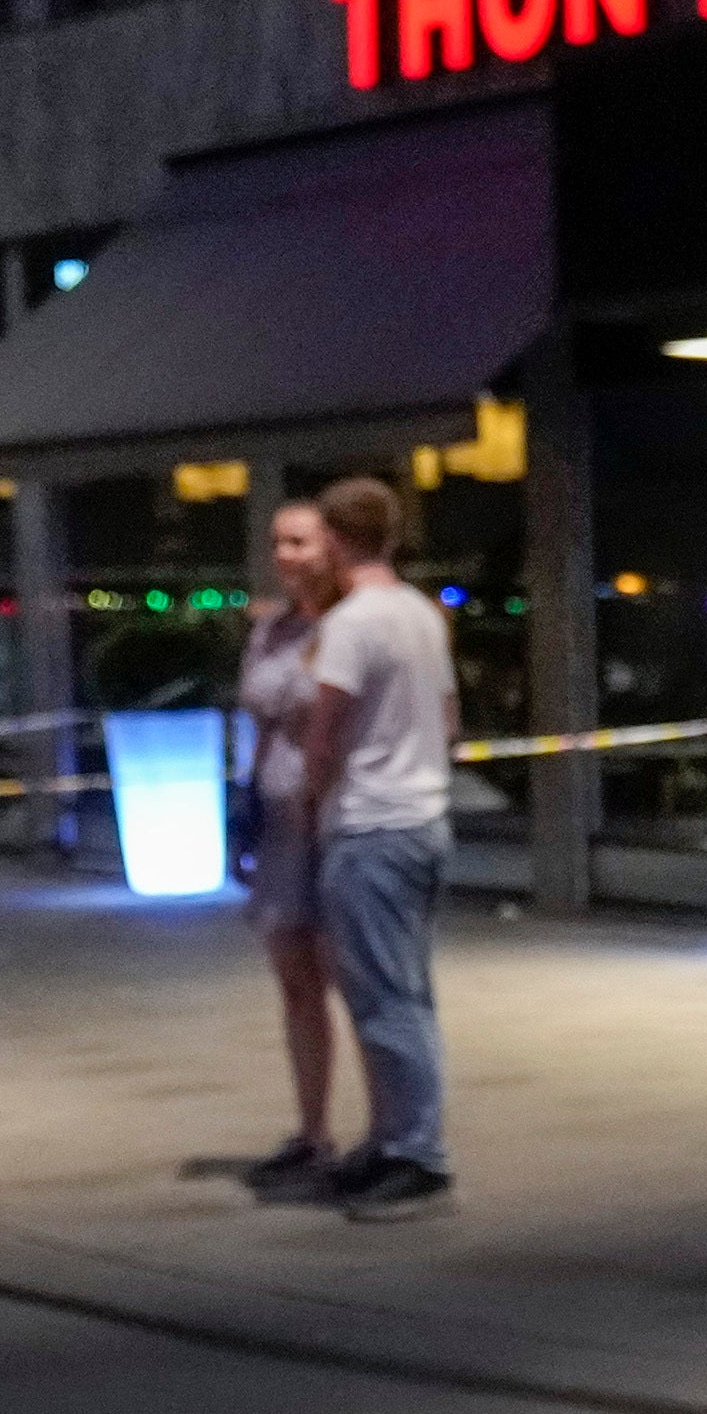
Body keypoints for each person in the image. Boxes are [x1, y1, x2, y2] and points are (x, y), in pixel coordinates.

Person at [292, 473, 461, 1221]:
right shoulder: (423, 614)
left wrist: (308, 805)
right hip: (425, 820)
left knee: (383, 999)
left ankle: (418, 1156)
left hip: (369, 827)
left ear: (332, 538)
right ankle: (392, 1141)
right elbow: (449, 718)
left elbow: (326, 731)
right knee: (407, 989)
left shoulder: (354, 624)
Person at [229, 500, 356, 1199]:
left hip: (334, 822)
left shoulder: (350, 628)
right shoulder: (272, 630)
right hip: (279, 825)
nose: (285, 554)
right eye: (278, 541)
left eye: (299, 541)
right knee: (295, 982)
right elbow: (258, 722)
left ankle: (389, 1137)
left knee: (351, 980)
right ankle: (312, 1129)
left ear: (330, 546)